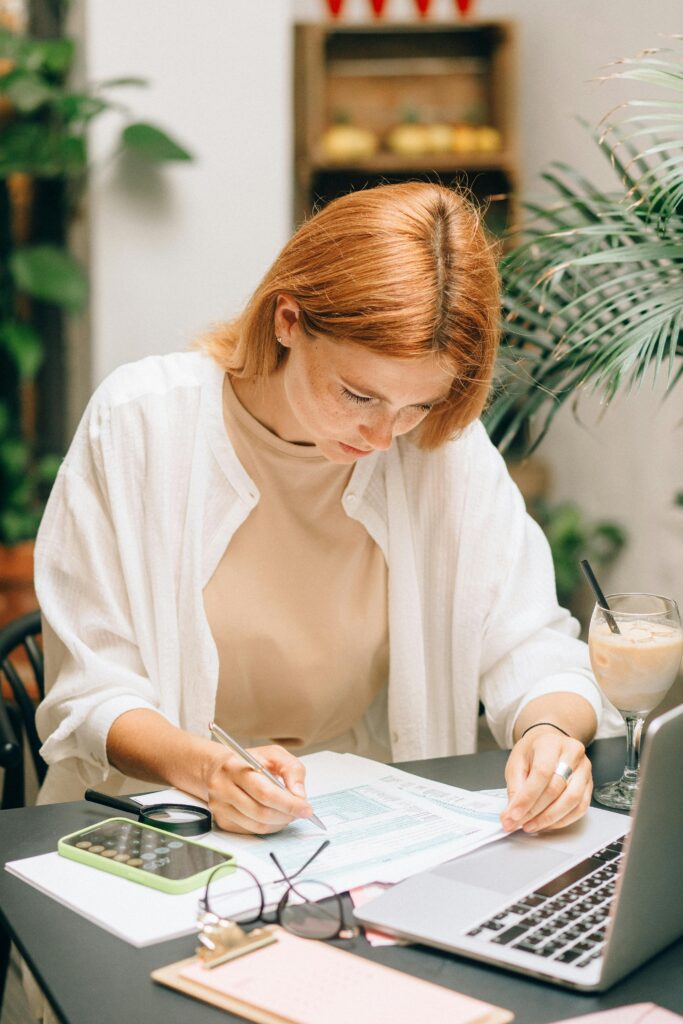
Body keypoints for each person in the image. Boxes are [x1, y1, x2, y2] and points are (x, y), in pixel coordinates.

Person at [34, 181, 620, 839]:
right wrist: (209, 772)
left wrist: (549, 732)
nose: (381, 436)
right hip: (158, 818)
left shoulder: (438, 448)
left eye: (417, 405)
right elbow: (91, 692)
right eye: (357, 394)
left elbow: (528, 639)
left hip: (358, 824)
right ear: (287, 320)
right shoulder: (140, 423)